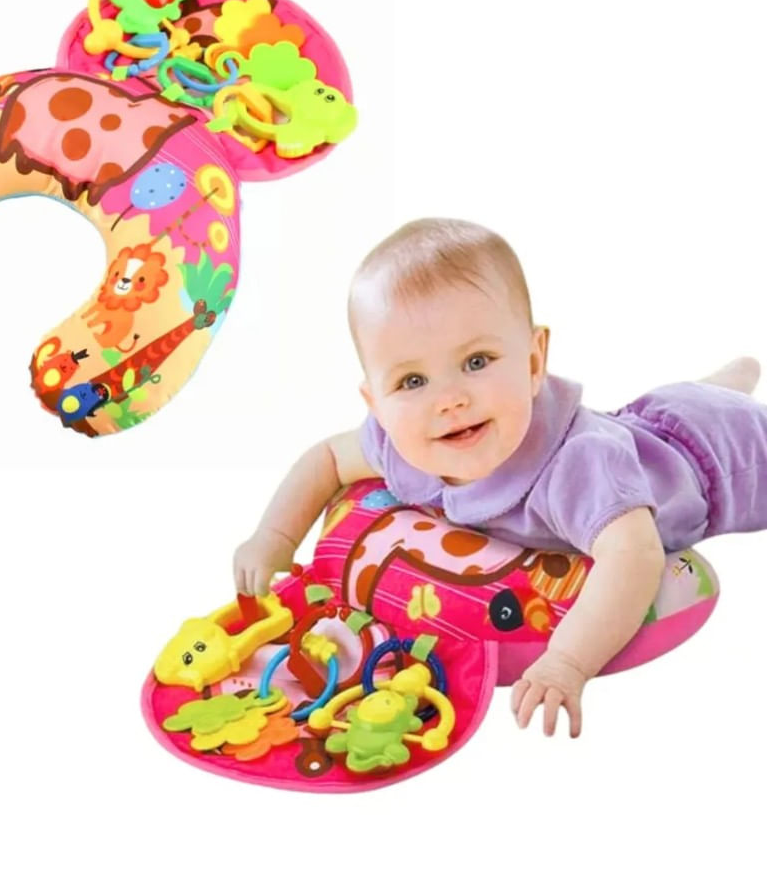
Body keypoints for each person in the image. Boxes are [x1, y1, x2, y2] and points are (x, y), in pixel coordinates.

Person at [233, 217, 767, 737]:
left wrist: (567, 662)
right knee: (677, 405)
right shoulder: (401, 444)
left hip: (721, 460)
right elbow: (327, 458)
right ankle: (726, 380)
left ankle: (727, 389)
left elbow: (634, 555)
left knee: (706, 412)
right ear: (376, 403)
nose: (450, 399)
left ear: (534, 363)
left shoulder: (578, 465)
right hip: (645, 424)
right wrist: (273, 537)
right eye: (412, 381)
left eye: (476, 361)